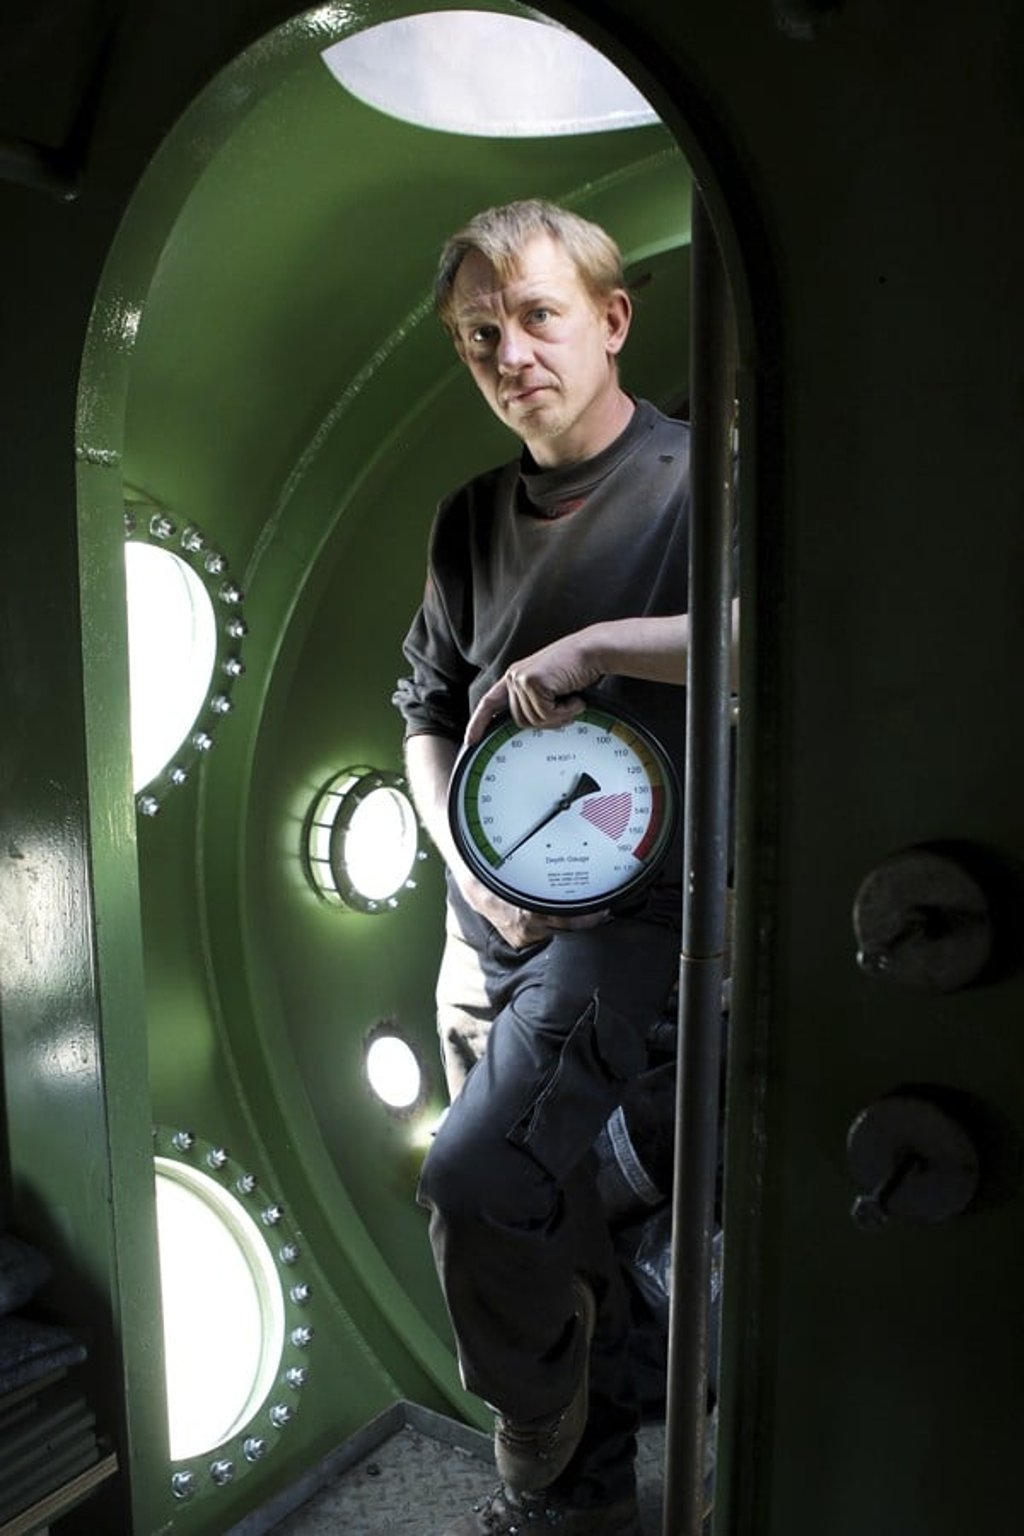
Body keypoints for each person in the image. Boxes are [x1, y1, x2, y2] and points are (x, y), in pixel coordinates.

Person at [393, 199, 727, 1536]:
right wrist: (457, 872)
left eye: (536, 314)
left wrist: (595, 651)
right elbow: (422, 706)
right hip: (483, 925)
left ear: (610, 317)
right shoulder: (471, 520)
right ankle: (572, 1509)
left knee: (475, 1181)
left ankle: (537, 1440)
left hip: (630, 923)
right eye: (480, 332)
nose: (509, 350)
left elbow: (776, 631)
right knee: (546, 1216)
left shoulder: (701, 476)